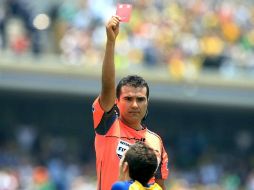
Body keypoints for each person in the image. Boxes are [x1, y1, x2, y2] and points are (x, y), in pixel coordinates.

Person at [92, 15, 169, 190]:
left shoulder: (156, 142)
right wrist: (111, 42)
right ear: (117, 101)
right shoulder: (107, 124)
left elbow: (160, 185)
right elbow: (107, 86)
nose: (135, 105)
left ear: (147, 103)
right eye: (128, 99)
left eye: (140, 99)